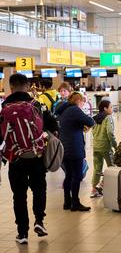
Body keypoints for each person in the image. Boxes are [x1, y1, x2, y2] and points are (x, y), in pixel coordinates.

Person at [0, 74, 58, 244]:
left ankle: (22, 233)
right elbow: (53, 126)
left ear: (10, 87)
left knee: (19, 196)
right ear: (27, 86)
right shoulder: (37, 104)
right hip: (36, 156)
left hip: (15, 159)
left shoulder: (4, 108)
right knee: (39, 190)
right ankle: (39, 221)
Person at [56, 92, 95, 211]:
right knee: (77, 176)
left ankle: (67, 202)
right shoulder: (74, 110)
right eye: (83, 102)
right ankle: (75, 203)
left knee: (68, 175)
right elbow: (90, 122)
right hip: (74, 147)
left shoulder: (63, 110)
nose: (83, 104)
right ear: (78, 101)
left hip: (64, 147)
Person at [91, 100, 117, 198]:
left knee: (97, 168)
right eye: (110, 107)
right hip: (105, 146)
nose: (112, 109)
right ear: (105, 109)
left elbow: (93, 132)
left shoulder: (95, 118)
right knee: (113, 167)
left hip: (96, 146)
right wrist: (115, 145)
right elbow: (110, 133)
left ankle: (94, 190)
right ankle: (101, 185)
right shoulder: (108, 117)